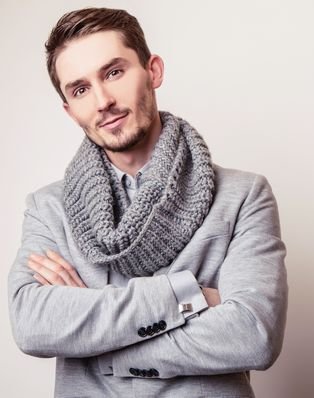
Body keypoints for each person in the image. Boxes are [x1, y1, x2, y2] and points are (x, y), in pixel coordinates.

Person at [7, 7, 287, 398]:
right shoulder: (47, 208)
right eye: (81, 89)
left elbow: (254, 335)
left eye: (114, 73)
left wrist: (95, 339)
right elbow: (33, 324)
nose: (102, 100)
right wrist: (183, 294)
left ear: (153, 71)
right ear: (70, 111)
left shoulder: (243, 195)